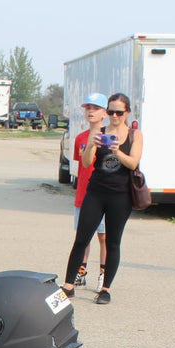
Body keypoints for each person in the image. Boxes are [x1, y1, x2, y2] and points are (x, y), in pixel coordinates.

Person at [61, 93, 143, 305]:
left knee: (113, 241)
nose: (114, 116)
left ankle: (105, 289)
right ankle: (68, 285)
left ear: (127, 113)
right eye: (111, 111)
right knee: (82, 238)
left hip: (120, 196)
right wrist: (91, 144)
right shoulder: (99, 131)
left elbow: (133, 163)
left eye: (119, 112)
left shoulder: (134, 135)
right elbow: (87, 163)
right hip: (96, 192)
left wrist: (117, 151)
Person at [71, 93, 108, 290]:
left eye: (95, 108)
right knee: (82, 236)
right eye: (88, 108)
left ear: (104, 113)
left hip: (102, 194)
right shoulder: (81, 138)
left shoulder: (108, 137)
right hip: (83, 194)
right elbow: (82, 167)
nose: (91, 112)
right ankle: (80, 271)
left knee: (104, 236)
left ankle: (104, 273)